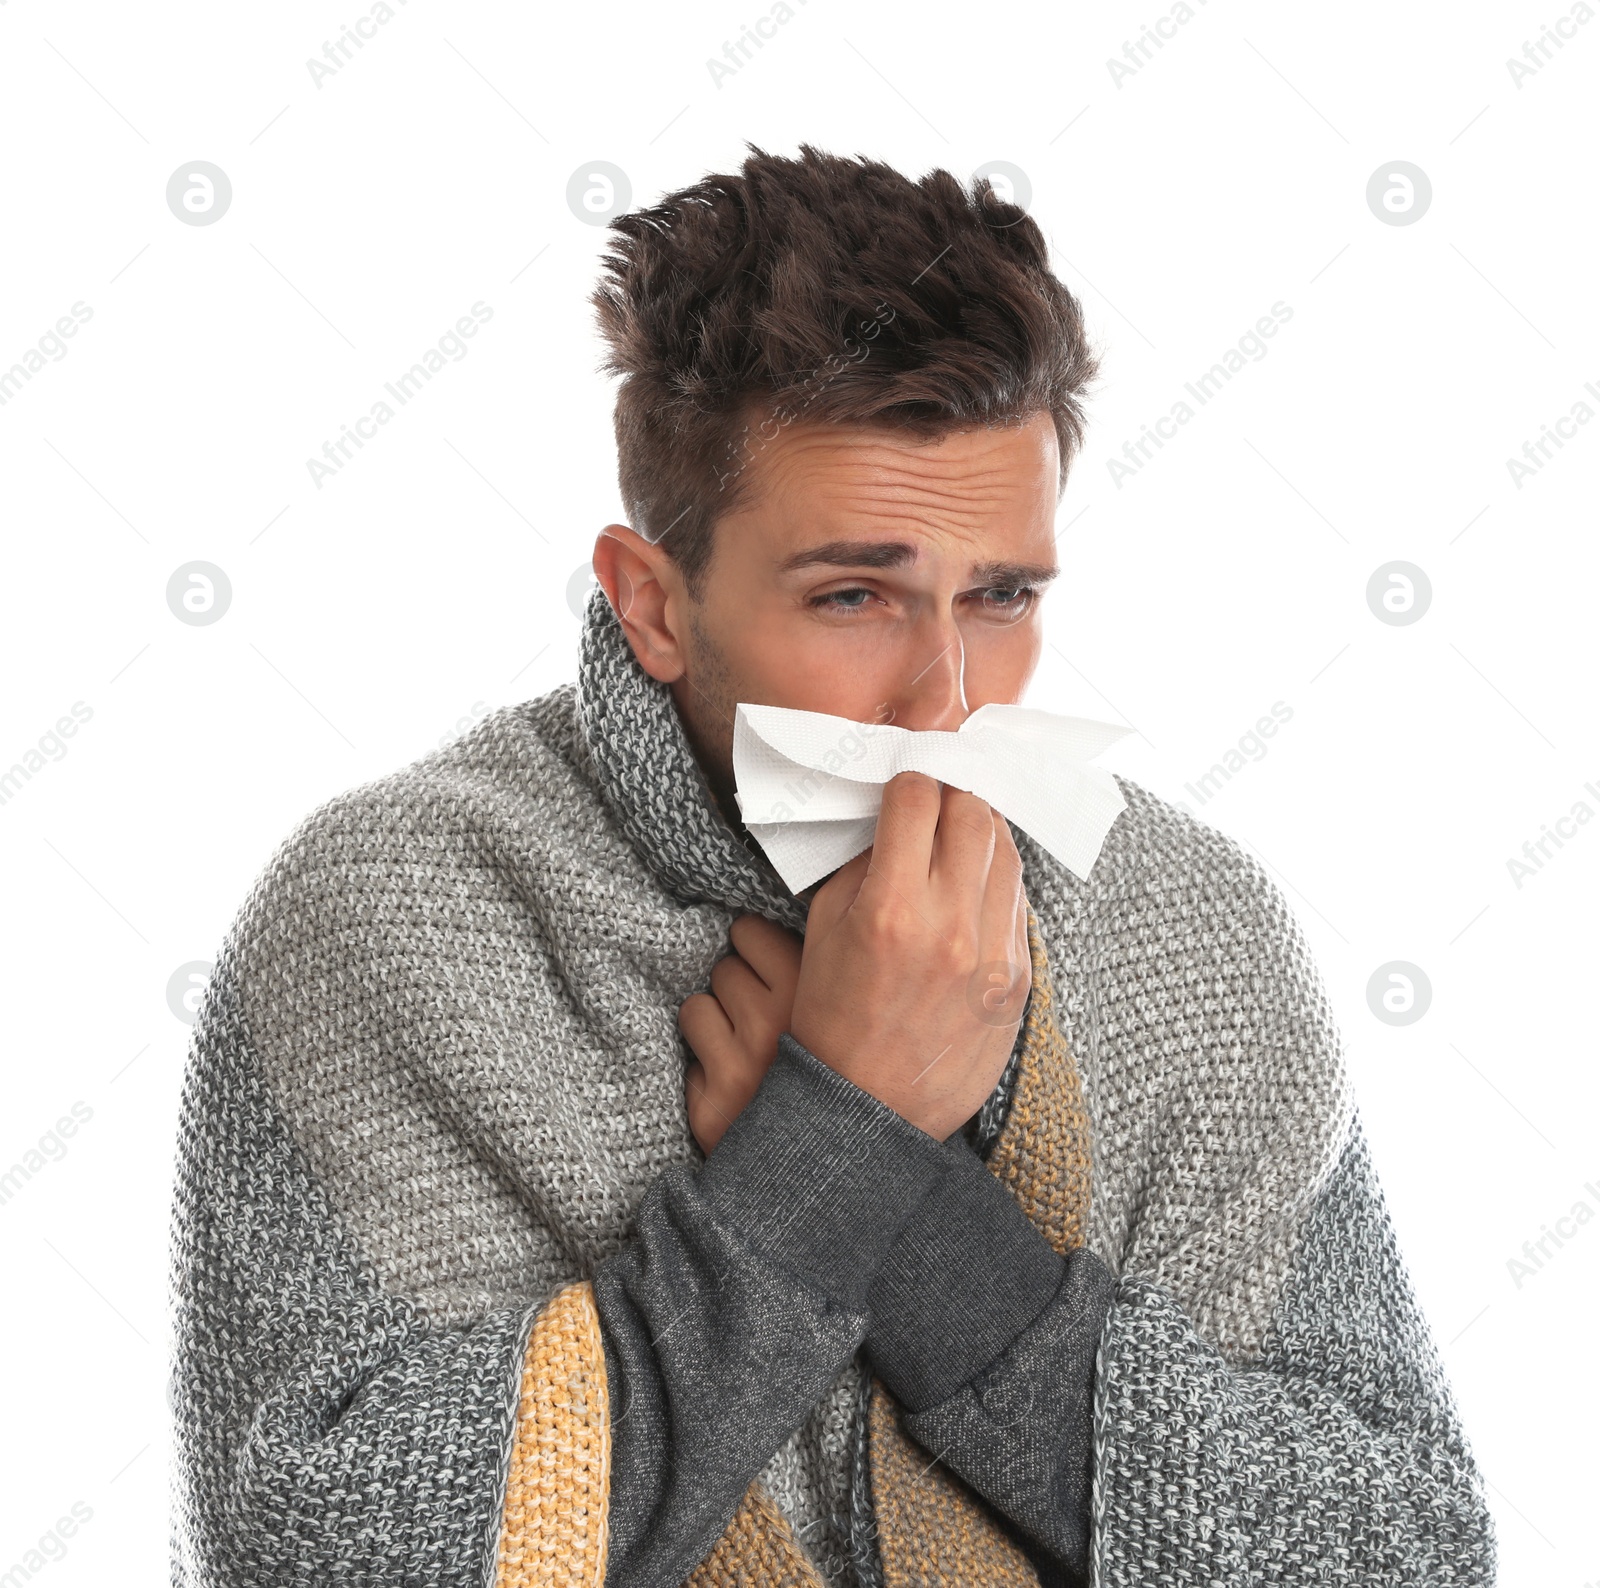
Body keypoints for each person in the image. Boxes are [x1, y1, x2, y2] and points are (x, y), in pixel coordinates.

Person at [168, 144, 1497, 1588]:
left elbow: (1401, 1553)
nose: (943, 702)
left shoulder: (1185, 926)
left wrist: (894, 1212)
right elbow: (321, 1556)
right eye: (854, 594)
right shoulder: (389, 920)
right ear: (654, 603)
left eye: (1001, 597)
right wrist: (841, 1128)